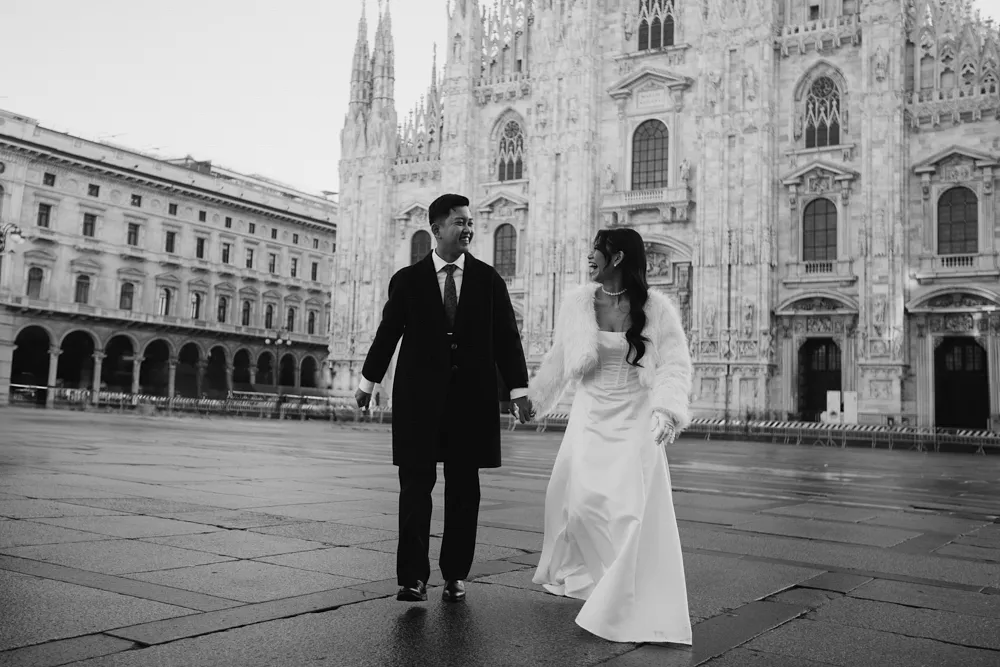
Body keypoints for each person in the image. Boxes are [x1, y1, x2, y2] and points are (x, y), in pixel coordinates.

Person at [355, 193, 533, 604]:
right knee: (415, 489)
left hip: (471, 400)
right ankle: (413, 578)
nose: (468, 228)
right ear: (436, 229)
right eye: (459, 222)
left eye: (470, 222)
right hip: (419, 399)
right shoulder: (408, 279)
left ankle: (455, 574)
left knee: (464, 492)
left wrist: (520, 390)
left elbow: (508, 339)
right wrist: (368, 382)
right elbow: (388, 334)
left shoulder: (489, 280)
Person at [528, 227, 694, 644]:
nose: (589, 257)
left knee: (627, 511)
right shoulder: (579, 303)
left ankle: (623, 599)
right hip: (590, 414)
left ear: (617, 258)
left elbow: (674, 364)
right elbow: (560, 358)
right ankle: (602, 578)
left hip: (634, 416)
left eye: (596, 251)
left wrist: (667, 409)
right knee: (581, 506)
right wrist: (533, 399)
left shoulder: (656, 309)